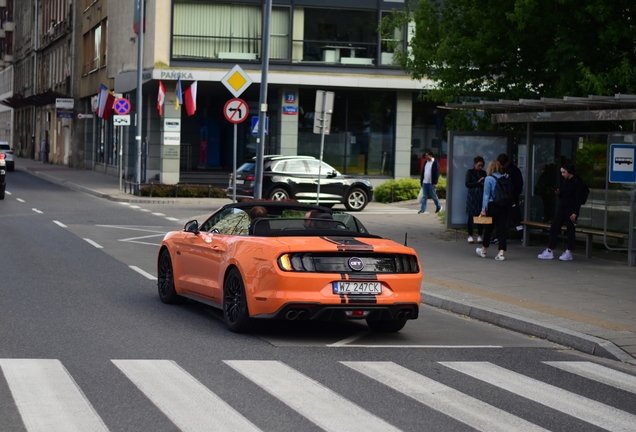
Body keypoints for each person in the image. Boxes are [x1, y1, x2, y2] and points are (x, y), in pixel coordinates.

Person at [538, 162, 587, 261]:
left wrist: (575, 212)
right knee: (554, 227)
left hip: (571, 208)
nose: (562, 174)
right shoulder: (566, 181)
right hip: (563, 206)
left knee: (570, 230)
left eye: (564, 172)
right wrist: (559, 193)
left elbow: (578, 198)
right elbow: (564, 195)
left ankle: (569, 251)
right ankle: (550, 250)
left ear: (569, 172)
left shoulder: (577, 181)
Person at [475, 160, 509, 261]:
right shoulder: (505, 177)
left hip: (492, 205)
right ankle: (501, 253)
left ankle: (484, 250)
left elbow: (486, 195)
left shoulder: (489, 179)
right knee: (501, 229)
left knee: (489, 229)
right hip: (504, 205)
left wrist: (483, 209)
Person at [497, 153, 524, 238]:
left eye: (503, 165)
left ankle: (522, 235)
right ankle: (499, 235)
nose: (502, 167)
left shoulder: (514, 170)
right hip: (503, 198)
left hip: (512, 198)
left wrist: (513, 193)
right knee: (501, 217)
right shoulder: (502, 171)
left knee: (516, 217)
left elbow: (518, 184)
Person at [465, 156, 486, 244]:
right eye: (479, 165)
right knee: (471, 215)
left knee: (480, 214)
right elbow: (467, 184)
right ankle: (470, 234)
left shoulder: (484, 173)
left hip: (480, 195)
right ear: (475, 164)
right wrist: (477, 182)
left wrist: (483, 183)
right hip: (472, 195)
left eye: (481, 166)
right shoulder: (470, 172)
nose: (480, 167)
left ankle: (480, 235)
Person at [418, 150, 442, 214]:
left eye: (427, 155)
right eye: (425, 155)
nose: (425, 156)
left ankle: (438, 206)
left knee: (433, 196)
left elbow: (436, 173)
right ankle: (423, 209)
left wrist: (435, 183)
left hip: (431, 183)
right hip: (425, 182)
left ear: (431, 155)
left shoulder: (435, 163)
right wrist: (421, 181)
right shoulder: (426, 162)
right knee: (424, 196)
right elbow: (423, 172)